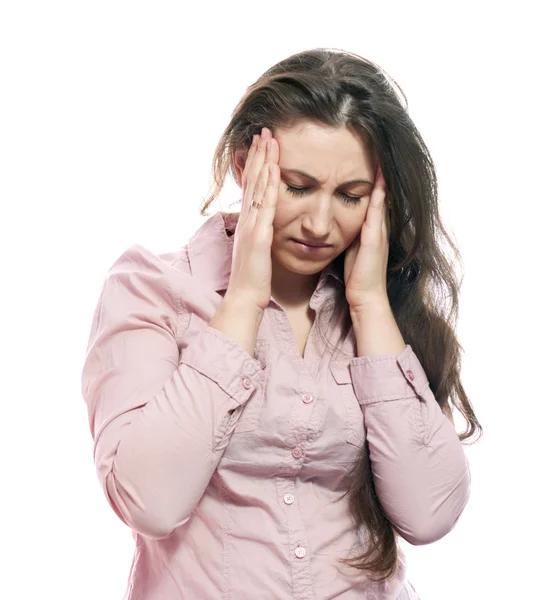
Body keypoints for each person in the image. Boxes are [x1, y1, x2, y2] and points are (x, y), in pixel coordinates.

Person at [81, 48, 482, 600]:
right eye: (298, 185)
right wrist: (244, 297)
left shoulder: (385, 307)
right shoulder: (150, 288)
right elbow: (149, 500)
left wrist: (368, 304)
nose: (321, 224)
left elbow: (430, 513)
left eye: (350, 196)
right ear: (245, 166)